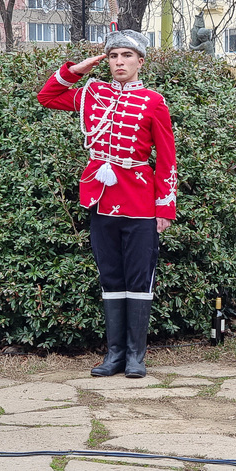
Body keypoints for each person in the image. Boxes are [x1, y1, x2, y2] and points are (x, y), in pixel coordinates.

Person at [38, 29, 177, 379]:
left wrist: (165, 207)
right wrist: (78, 70)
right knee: (110, 277)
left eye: (127, 56)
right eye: (114, 56)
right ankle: (114, 355)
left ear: (140, 61)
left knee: (139, 277)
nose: (119, 62)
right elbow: (47, 96)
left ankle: (135, 356)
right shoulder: (93, 94)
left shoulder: (153, 101)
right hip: (101, 198)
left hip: (140, 200)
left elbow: (167, 158)